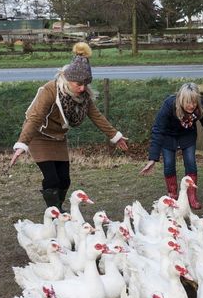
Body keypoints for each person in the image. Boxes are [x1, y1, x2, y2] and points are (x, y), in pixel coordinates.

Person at [10, 42, 128, 210]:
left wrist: (114, 135)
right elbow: (35, 118)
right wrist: (23, 144)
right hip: (39, 136)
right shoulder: (50, 90)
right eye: (78, 84)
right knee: (52, 179)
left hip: (58, 138)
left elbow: (96, 115)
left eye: (85, 84)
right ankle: (55, 212)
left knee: (65, 180)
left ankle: (58, 206)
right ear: (67, 78)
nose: (82, 88)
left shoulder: (83, 95)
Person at [140, 82, 203, 209]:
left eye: (194, 102)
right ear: (181, 99)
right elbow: (158, 130)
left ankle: (191, 196)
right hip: (168, 136)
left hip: (187, 136)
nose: (191, 106)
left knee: (190, 163)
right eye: (188, 102)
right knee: (169, 164)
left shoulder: (200, 107)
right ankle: (173, 195)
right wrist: (152, 158)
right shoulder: (169, 104)